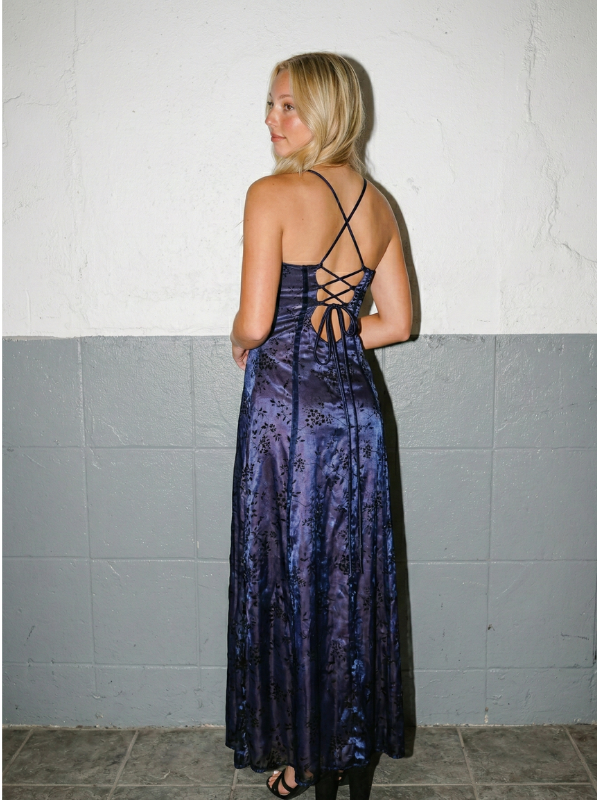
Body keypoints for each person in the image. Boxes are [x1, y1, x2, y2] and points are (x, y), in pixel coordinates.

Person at [226, 52, 412, 800]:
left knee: (290, 572)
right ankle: (342, 753)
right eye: (271, 105)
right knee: (347, 579)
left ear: (328, 112)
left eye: (288, 106)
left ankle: (301, 751)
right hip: (356, 413)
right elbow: (396, 323)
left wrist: (241, 336)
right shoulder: (378, 204)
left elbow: (255, 320)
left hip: (287, 413)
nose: (272, 120)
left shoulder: (271, 193)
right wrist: (332, 333)